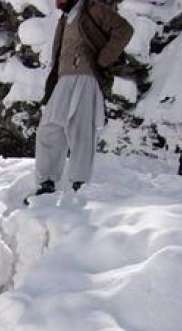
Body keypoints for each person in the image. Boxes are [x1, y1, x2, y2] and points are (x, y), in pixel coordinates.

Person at [30, 0, 133, 201]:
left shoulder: (93, 9)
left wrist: (103, 59)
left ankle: (80, 183)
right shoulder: (65, 18)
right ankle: (47, 182)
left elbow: (124, 30)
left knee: (82, 130)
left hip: (86, 76)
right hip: (64, 79)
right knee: (49, 128)